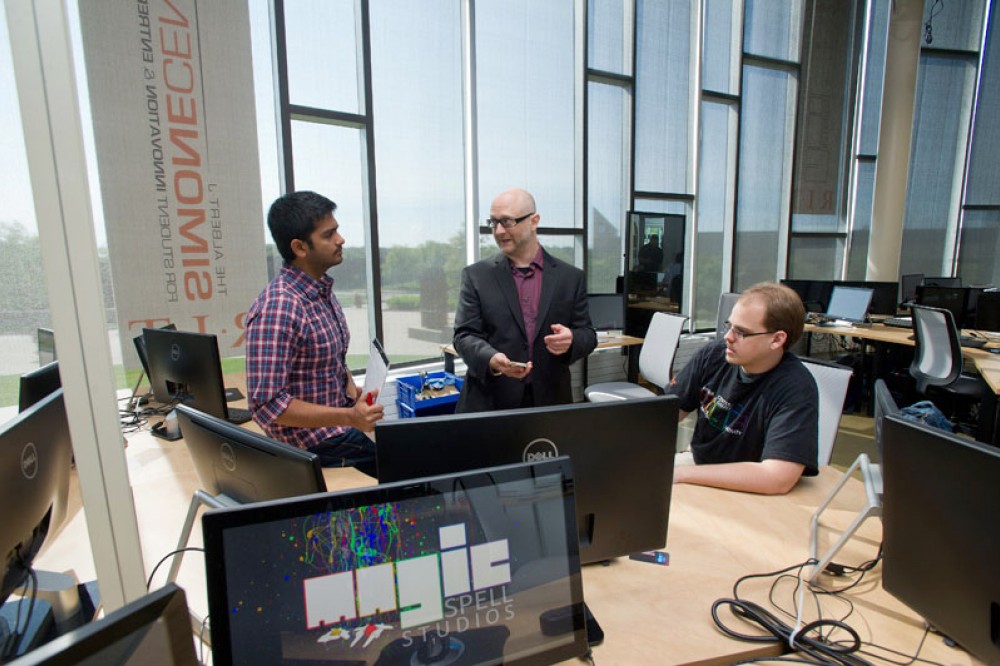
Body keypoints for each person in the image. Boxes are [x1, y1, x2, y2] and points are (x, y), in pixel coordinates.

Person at [244, 191, 383, 476]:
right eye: (329, 234)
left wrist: (351, 394)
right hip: (319, 446)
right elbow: (268, 406)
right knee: (419, 472)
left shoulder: (320, 292)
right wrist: (349, 416)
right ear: (300, 247)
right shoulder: (279, 307)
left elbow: (329, 360)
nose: (341, 240)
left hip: (339, 428)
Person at [453, 188, 597, 412]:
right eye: (494, 222)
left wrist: (572, 340)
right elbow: (464, 336)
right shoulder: (476, 276)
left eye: (507, 221)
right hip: (491, 401)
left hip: (549, 403)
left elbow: (587, 334)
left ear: (534, 221)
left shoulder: (570, 277)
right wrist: (491, 358)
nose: (499, 231)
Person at [667, 282, 818, 495]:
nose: (728, 337)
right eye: (729, 326)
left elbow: (777, 477)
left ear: (776, 339)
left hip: (750, 488)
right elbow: (665, 414)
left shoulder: (796, 387)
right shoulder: (714, 355)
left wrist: (682, 474)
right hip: (699, 466)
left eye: (741, 332)